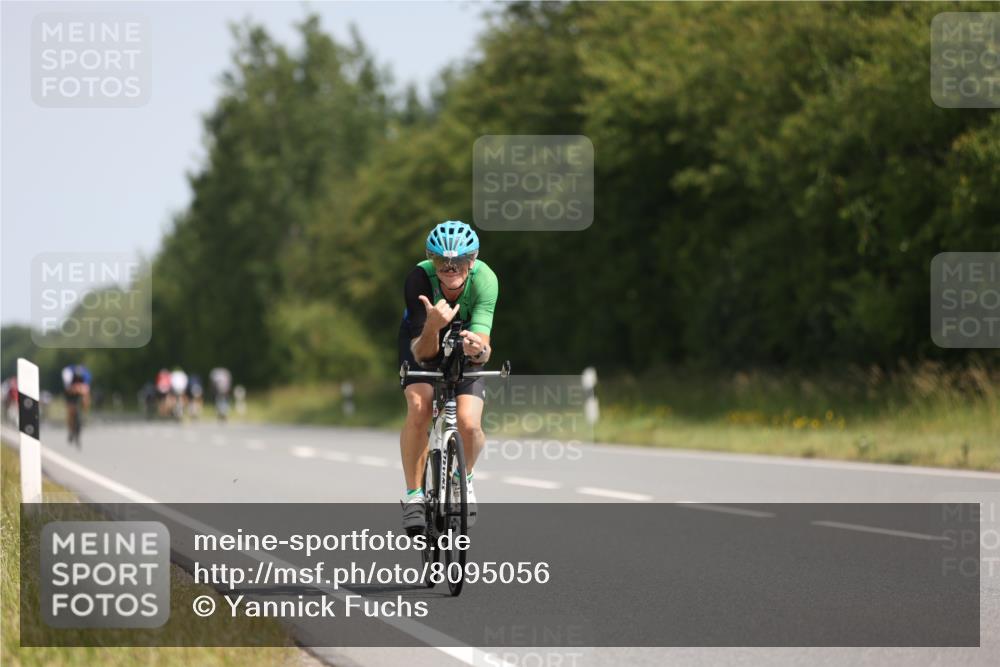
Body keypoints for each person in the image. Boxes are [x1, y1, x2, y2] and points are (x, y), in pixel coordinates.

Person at [398, 220, 498, 531]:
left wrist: (477, 350)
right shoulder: (419, 279)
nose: (450, 268)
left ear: (473, 259)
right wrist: (432, 325)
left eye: (458, 261)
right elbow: (422, 354)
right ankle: (414, 496)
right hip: (419, 343)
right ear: (432, 259)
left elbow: (484, 348)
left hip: (464, 342)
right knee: (420, 406)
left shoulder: (486, 280)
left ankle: (461, 479)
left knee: (469, 424)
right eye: (442, 261)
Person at [62, 364, 91, 446]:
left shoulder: (86, 377)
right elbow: (67, 389)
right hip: (70, 395)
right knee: (70, 410)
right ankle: (71, 430)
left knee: (86, 397)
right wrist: (74, 389)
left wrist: (85, 402)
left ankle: (84, 414)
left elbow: (86, 390)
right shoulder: (68, 376)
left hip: (79, 393)